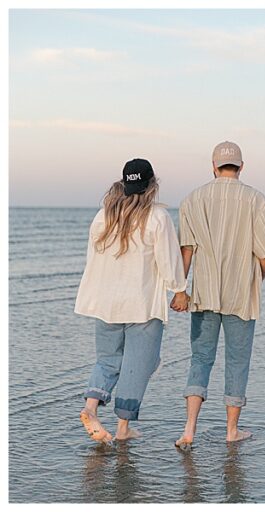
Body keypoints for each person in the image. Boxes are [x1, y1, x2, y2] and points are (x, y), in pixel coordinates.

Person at [172, 141, 265, 448]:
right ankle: (232, 431)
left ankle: (189, 429)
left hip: (204, 293)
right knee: (237, 361)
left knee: (200, 359)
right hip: (241, 295)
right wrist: (255, 279)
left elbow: (186, 251)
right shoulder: (256, 200)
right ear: (241, 166)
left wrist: (180, 290)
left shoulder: (193, 199)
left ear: (213, 166)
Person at [75, 158, 187, 443]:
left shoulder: (104, 216)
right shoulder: (157, 217)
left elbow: (92, 258)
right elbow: (168, 259)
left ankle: (91, 407)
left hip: (105, 303)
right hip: (141, 304)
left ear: (125, 184)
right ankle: (123, 429)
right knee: (140, 364)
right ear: (152, 185)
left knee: (107, 360)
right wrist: (179, 289)